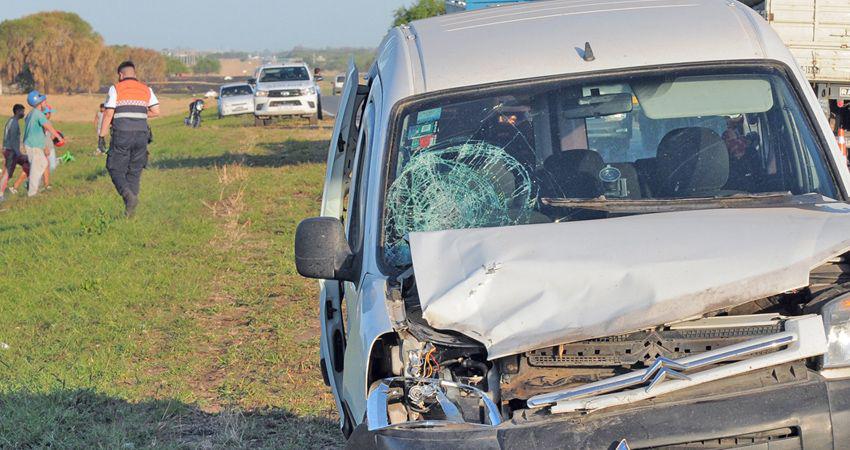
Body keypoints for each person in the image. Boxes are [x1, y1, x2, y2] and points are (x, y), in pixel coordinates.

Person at [100, 60, 160, 217]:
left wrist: (101, 136)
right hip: (142, 134)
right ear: (134, 74)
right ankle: (130, 211)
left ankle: (128, 196)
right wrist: (138, 113)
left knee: (113, 167)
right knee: (134, 170)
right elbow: (156, 111)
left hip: (122, 134)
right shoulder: (146, 89)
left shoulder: (116, 88)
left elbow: (108, 113)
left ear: (121, 75)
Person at [23, 90, 63, 197]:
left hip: (32, 144)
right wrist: (59, 137)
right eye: (44, 101)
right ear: (39, 102)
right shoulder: (38, 114)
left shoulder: (31, 113)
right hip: (33, 145)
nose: (46, 103)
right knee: (36, 168)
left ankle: (31, 186)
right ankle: (32, 193)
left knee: (43, 164)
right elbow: (48, 127)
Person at [0, 104, 25, 201]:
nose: (23, 113)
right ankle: (1, 194)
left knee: (7, 173)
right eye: (22, 111)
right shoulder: (14, 123)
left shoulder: (12, 121)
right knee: (7, 173)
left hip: (10, 150)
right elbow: (13, 139)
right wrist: (18, 152)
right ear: (18, 111)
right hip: (11, 151)